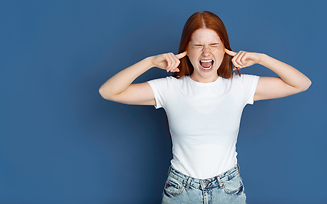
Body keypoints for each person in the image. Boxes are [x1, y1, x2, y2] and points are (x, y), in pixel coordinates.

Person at [99, 11, 311, 203]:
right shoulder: (170, 88)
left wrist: (262, 58)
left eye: (214, 45)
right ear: (186, 51)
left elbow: (301, 83)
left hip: (228, 191)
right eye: (198, 46)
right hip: (180, 192)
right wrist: (149, 62)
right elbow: (108, 91)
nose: (206, 52)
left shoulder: (240, 85)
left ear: (225, 49)